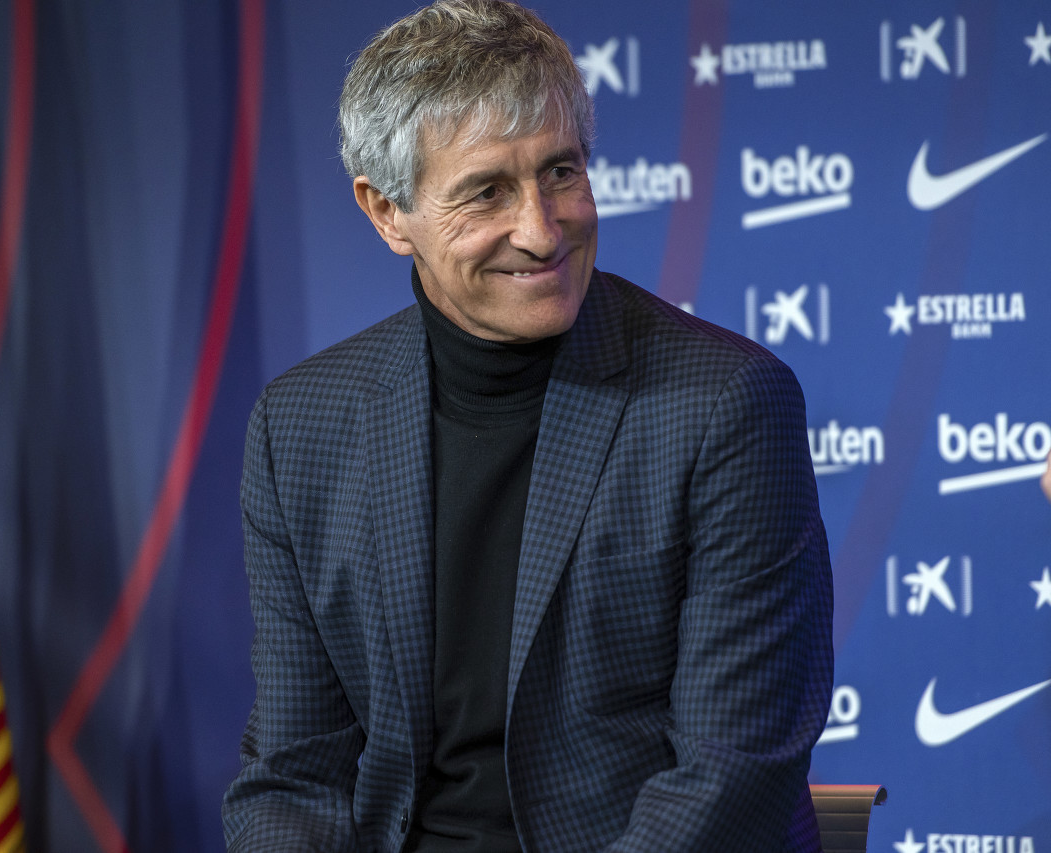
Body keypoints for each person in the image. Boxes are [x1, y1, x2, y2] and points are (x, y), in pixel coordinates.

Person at [222, 1, 834, 850]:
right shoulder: (299, 427)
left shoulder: (725, 402)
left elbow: (733, 773)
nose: (542, 231)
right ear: (387, 212)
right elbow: (295, 772)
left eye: (560, 172)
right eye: (487, 192)